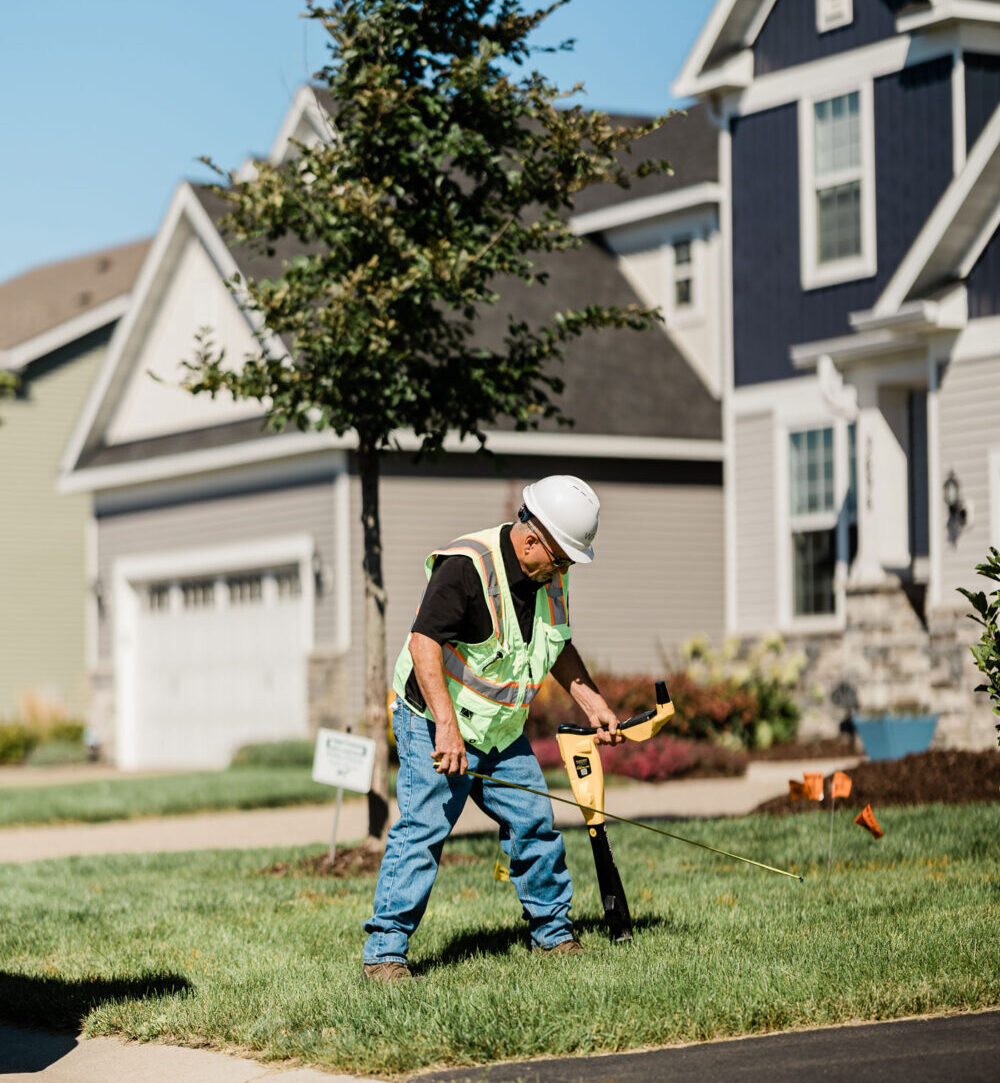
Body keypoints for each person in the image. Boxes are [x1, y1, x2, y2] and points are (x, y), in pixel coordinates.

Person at [362, 475, 623, 982]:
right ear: (532, 540)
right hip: (433, 724)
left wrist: (594, 704)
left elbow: (557, 645)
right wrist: (446, 728)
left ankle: (553, 935)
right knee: (422, 832)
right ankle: (385, 954)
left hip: (500, 733)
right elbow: (423, 645)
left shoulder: (550, 575)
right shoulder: (466, 567)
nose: (564, 570)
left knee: (534, 824)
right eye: (562, 559)